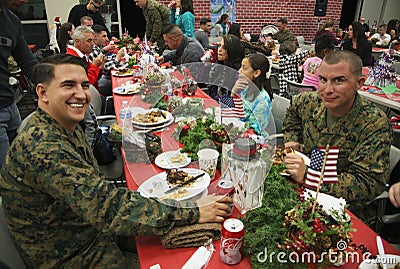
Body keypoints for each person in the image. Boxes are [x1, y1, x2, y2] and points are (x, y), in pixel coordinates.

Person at [0, 53, 232, 268]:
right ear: (42, 93)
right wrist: (192, 211)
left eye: (84, 85)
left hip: (85, 227)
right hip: (70, 252)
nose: (81, 94)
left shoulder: (62, 126)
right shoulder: (44, 146)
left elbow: (100, 199)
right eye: (68, 85)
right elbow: (107, 208)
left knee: (184, 236)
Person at [282, 50, 392, 220]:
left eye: (339, 80)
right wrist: (292, 140)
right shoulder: (309, 102)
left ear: (359, 83)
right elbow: (293, 113)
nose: (327, 90)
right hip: (302, 194)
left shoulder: (373, 123)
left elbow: (367, 184)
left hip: (343, 211)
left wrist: (309, 176)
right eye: (323, 79)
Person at [0, 0, 38, 167]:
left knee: (21, 166)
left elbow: (29, 64)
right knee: (7, 173)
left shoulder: (12, 20)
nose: (25, 1)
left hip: (11, 106)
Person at [231, 54, 274, 138]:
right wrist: (233, 94)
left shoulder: (263, 99)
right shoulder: (244, 88)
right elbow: (230, 112)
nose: (239, 71)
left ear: (256, 73)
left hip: (253, 140)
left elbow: (254, 129)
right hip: (237, 131)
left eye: (244, 68)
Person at [89, 24, 123, 103]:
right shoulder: (92, 49)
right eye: (104, 36)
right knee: (118, 84)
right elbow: (106, 68)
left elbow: (105, 61)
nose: (107, 39)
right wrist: (117, 58)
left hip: (97, 81)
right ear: (95, 37)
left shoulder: (96, 48)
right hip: (97, 83)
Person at [66, 26, 105, 91]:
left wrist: (100, 68)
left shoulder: (83, 55)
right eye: (89, 41)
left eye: (93, 40)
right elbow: (86, 85)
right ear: (78, 42)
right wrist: (95, 66)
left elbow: (94, 80)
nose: (92, 44)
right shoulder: (72, 58)